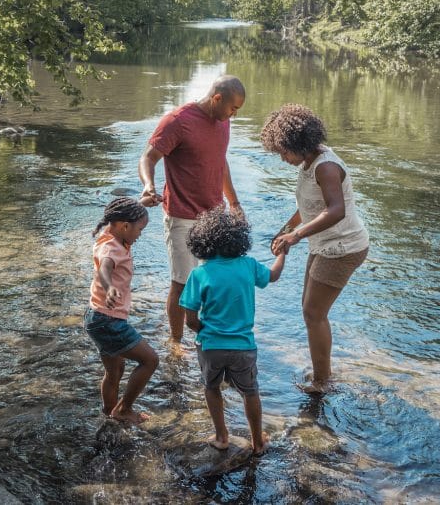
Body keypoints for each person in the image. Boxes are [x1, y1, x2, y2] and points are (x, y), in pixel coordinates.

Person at [262, 104, 369, 394]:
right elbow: (308, 205)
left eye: (283, 151)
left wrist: (295, 237)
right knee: (310, 311)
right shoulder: (309, 162)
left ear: (297, 144)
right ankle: (322, 372)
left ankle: (323, 381)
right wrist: (286, 230)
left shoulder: (326, 166)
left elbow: (336, 210)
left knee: (313, 313)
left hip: (343, 247)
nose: (282, 158)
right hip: (324, 244)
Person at [138, 75, 246, 347]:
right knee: (182, 284)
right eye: (233, 108)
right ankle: (175, 343)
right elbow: (148, 157)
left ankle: (206, 337)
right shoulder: (178, 121)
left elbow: (220, 162)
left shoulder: (223, 122)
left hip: (214, 218)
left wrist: (233, 202)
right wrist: (149, 186)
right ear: (217, 98)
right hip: (182, 216)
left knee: (213, 282)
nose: (234, 115)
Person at [178, 208, 285, 455]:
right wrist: (282, 255)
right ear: (239, 238)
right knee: (250, 392)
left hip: (211, 346)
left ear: (202, 242)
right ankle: (258, 441)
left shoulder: (199, 274)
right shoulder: (248, 265)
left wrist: (207, 330)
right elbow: (274, 275)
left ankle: (221, 436)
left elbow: (190, 320)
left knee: (211, 388)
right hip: (244, 346)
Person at [84, 197, 159, 424]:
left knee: (115, 369)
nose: (140, 234)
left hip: (96, 317)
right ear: (125, 226)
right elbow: (104, 268)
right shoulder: (111, 247)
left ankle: (109, 413)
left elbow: (124, 212)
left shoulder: (109, 233)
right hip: (108, 320)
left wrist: (142, 203)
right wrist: (109, 288)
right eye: (140, 229)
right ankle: (124, 409)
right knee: (150, 361)